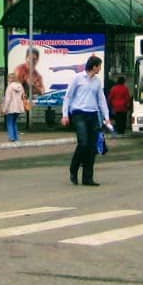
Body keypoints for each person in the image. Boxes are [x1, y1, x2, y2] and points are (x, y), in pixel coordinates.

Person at [61, 54, 113, 186]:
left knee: (92, 147)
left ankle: (87, 178)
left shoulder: (97, 81)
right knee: (83, 143)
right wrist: (65, 115)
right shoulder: (78, 78)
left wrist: (107, 118)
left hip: (93, 114)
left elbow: (101, 100)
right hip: (79, 113)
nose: (100, 69)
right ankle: (73, 169)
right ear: (94, 66)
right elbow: (68, 97)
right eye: (99, 66)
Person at [0, 71, 27, 143]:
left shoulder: (9, 87)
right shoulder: (20, 86)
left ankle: (11, 137)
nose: (8, 79)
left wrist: (4, 109)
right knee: (14, 122)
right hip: (18, 108)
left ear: (10, 79)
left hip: (11, 108)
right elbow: (23, 96)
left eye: (8, 78)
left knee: (9, 122)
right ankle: (16, 138)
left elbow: (8, 99)